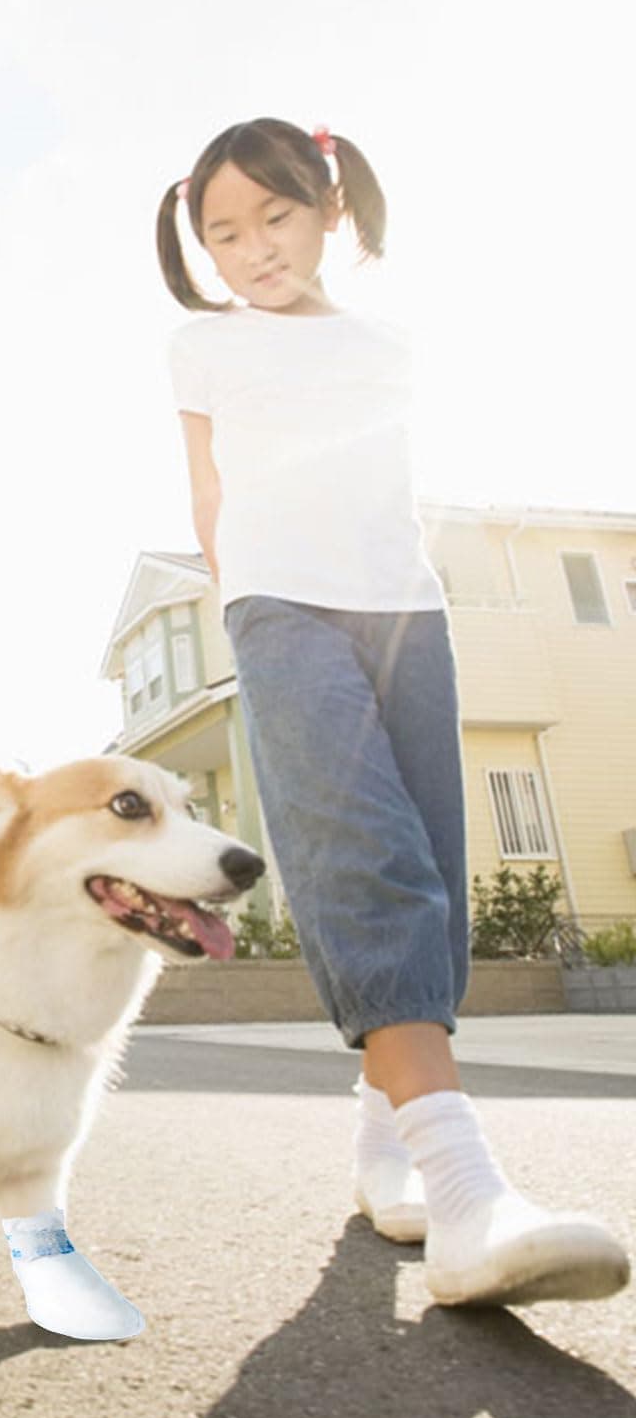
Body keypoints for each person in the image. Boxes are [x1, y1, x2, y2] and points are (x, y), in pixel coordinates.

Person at [159, 116, 628, 1308]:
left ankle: (385, 1147)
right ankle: (469, 1195)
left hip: (408, 610)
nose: (253, 248)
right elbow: (208, 493)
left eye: (275, 216)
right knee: (363, 855)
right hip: (280, 607)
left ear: (329, 209)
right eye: (224, 233)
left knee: (430, 867)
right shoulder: (203, 345)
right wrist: (242, 601)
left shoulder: (391, 343)